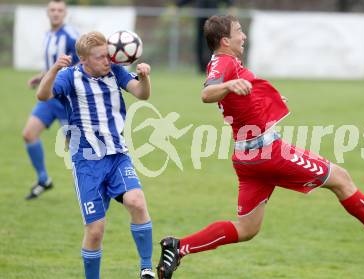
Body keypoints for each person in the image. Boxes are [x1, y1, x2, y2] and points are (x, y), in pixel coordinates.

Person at [156, 15, 364, 279]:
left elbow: (240, 96)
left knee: (247, 228)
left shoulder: (228, 62)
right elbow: (207, 93)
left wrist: (264, 96)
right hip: (268, 154)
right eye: (239, 30)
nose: (244, 35)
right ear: (225, 40)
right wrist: (227, 84)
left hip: (247, 156)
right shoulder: (223, 63)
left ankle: (179, 247)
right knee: (341, 179)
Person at [36, 31, 155, 279]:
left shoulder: (115, 71)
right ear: (84, 60)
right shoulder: (70, 77)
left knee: (137, 202)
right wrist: (54, 70)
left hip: (117, 156)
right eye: (100, 57)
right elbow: (42, 95)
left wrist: (144, 77)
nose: (106, 61)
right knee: (95, 230)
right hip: (87, 163)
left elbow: (142, 94)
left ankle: (146, 268)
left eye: (108, 55)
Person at [23, 0, 79, 200]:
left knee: (76, 150)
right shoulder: (49, 35)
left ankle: (92, 187)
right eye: (52, 10)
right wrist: (41, 77)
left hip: (66, 101)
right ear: (48, 13)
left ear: (66, 13)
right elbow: (55, 65)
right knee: (29, 134)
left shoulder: (72, 36)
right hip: (49, 99)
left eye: (60, 10)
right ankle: (43, 179)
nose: (56, 13)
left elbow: (79, 66)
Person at [175, 0, 234, 73]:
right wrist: (178, 5)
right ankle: (201, 68)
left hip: (213, 17)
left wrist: (230, 5)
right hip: (200, 16)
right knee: (199, 43)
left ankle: (214, 66)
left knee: (214, 42)